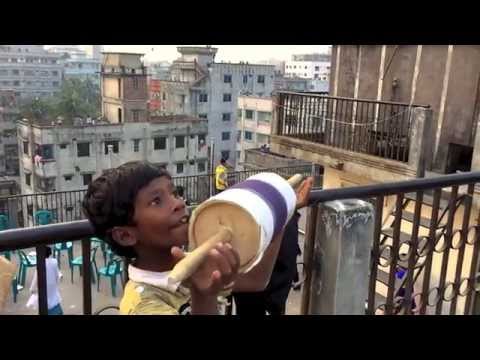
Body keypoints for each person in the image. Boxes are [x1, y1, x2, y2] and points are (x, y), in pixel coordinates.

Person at [82, 161, 311, 315]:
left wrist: (283, 209)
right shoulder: (142, 304)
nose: (179, 203)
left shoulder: (193, 263)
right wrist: (204, 296)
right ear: (125, 235)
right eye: (156, 201)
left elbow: (256, 281)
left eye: (174, 193)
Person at [29, 246, 63, 315]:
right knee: (55, 305)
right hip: (53, 291)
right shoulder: (54, 261)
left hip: (43, 293)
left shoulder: (40, 264)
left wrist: (32, 290)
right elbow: (57, 275)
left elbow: (35, 280)